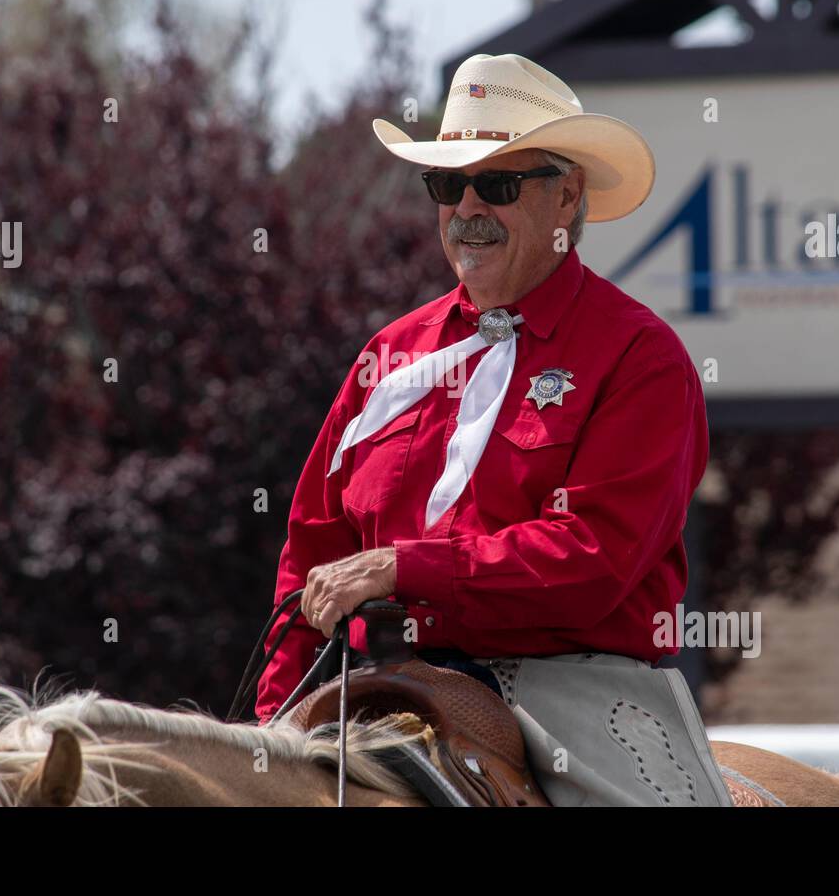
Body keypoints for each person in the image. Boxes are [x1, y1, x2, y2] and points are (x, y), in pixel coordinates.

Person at [255, 52, 730, 806]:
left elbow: (595, 556)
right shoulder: (389, 355)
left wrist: (402, 568)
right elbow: (314, 550)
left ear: (567, 196)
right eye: (449, 185)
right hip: (376, 688)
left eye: (499, 184)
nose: (468, 209)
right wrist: (274, 727)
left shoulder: (640, 357)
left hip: (573, 693)